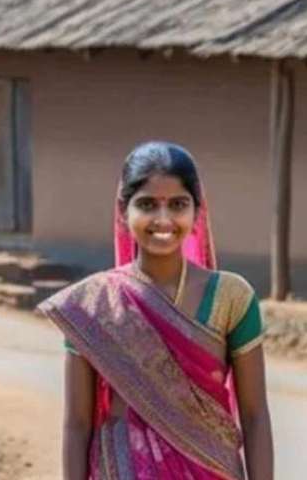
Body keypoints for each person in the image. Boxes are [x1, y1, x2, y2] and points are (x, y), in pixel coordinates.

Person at [38, 141, 274, 480]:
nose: (163, 219)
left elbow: (254, 415)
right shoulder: (93, 304)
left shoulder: (232, 297)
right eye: (147, 204)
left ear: (197, 212)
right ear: (123, 212)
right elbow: (77, 424)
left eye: (178, 204)